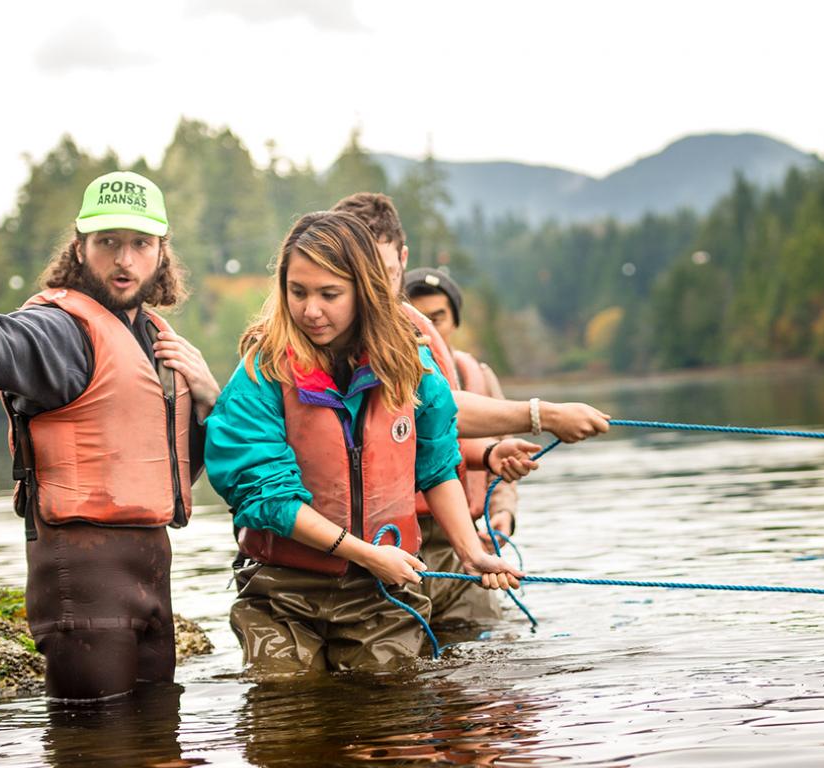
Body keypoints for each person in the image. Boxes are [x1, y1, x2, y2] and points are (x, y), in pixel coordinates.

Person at [0, 170, 219, 702]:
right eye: (107, 243)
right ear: (80, 248)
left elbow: (179, 462)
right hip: (82, 574)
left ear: (161, 252)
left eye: (140, 244)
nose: (123, 259)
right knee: (92, 753)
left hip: (152, 569)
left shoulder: (160, 341)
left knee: (160, 747)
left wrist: (209, 396)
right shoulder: (60, 328)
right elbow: (8, 344)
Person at [205, 211, 522, 673]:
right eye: (298, 292)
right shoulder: (260, 376)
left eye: (329, 294)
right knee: (286, 712)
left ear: (364, 290)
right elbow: (267, 497)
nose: (311, 310)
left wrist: (473, 552)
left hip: (381, 595)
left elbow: (437, 466)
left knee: (387, 714)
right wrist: (368, 554)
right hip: (283, 592)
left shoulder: (412, 369)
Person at [329, 192, 611, 444]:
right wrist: (545, 415)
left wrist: (496, 453)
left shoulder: (406, 340)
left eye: (383, 275)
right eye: (359, 277)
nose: (372, 291)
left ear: (403, 259)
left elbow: (437, 407)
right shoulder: (314, 333)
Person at [404, 266, 520, 628]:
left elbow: (502, 455)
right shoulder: (394, 376)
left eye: (438, 317)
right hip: (409, 537)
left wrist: (504, 513)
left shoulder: (477, 375)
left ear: (454, 319)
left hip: (465, 539)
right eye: (420, 317)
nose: (430, 329)